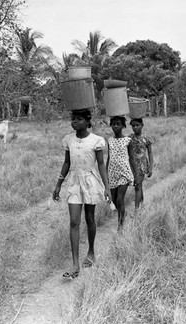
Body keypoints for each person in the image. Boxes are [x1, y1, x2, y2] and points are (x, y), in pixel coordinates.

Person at [52, 109, 111, 280]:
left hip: (90, 181)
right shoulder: (69, 139)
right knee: (74, 221)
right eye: (73, 119)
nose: (74, 122)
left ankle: (91, 252)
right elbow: (66, 162)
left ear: (87, 122)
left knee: (90, 218)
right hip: (74, 182)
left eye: (79, 119)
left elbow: (100, 165)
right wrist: (58, 184)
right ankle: (75, 263)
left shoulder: (96, 141)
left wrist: (106, 187)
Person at [106, 116, 134, 231]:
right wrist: (105, 174)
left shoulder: (128, 140)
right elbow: (109, 157)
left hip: (124, 172)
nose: (115, 126)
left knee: (119, 199)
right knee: (113, 200)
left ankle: (120, 225)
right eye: (113, 124)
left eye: (118, 124)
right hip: (112, 173)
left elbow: (131, 158)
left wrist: (135, 174)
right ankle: (123, 213)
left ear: (123, 126)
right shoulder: (109, 140)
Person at [129, 118, 153, 209]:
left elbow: (150, 153)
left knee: (137, 186)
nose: (135, 128)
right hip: (132, 165)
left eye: (137, 125)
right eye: (133, 126)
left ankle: (136, 210)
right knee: (139, 185)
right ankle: (142, 204)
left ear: (142, 125)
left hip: (142, 165)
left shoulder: (146, 138)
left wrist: (150, 167)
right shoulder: (130, 138)